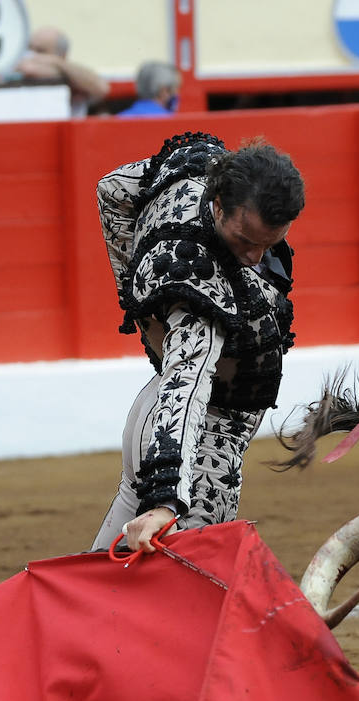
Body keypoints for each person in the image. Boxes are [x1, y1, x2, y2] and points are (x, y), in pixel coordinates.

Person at [91, 133, 306, 553]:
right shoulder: (200, 278)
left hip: (152, 413)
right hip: (200, 437)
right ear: (219, 205)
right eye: (245, 240)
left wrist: (137, 294)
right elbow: (186, 384)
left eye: (269, 243)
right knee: (192, 588)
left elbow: (113, 189)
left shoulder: (200, 171)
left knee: (105, 574)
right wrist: (166, 499)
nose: (254, 258)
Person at [15, 25, 108, 117]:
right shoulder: (17, 66)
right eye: (29, 48)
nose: (32, 56)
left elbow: (101, 88)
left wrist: (56, 63)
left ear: (62, 55)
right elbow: (27, 69)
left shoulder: (73, 75)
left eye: (40, 51)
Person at [115, 61, 180, 118]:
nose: (177, 93)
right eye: (176, 88)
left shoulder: (119, 118)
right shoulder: (172, 122)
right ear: (164, 91)